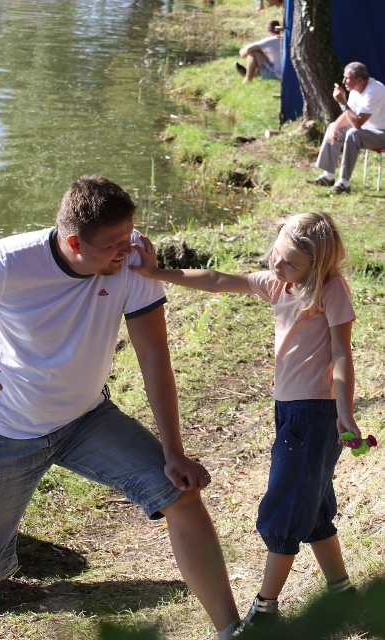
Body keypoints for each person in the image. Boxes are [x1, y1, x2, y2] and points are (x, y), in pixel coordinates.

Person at [0, 175, 242, 640]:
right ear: (73, 242)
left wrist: (174, 452)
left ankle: (233, 631)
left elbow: (153, 355)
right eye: (113, 244)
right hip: (5, 430)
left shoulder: (132, 257)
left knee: (181, 493)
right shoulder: (7, 263)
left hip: (85, 420)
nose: (127, 251)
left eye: (129, 236)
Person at [130, 212, 360, 636]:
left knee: (285, 509)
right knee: (312, 504)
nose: (278, 265)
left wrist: (344, 412)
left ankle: (265, 610)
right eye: (278, 254)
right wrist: (156, 272)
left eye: (292, 263)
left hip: (314, 414)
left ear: (317, 266)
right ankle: (343, 594)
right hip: (290, 412)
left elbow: (341, 353)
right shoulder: (278, 284)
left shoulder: (329, 289)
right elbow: (216, 279)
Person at [307, 62, 385, 195]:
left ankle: (344, 182)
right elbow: (349, 114)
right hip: (367, 129)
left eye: (347, 78)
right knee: (334, 127)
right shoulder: (355, 90)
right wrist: (335, 127)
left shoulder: (374, 91)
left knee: (353, 133)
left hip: (381, 133)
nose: (343, 81)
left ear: (359, 79)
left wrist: (342, 102)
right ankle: (328, 176)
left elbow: (357, 123)